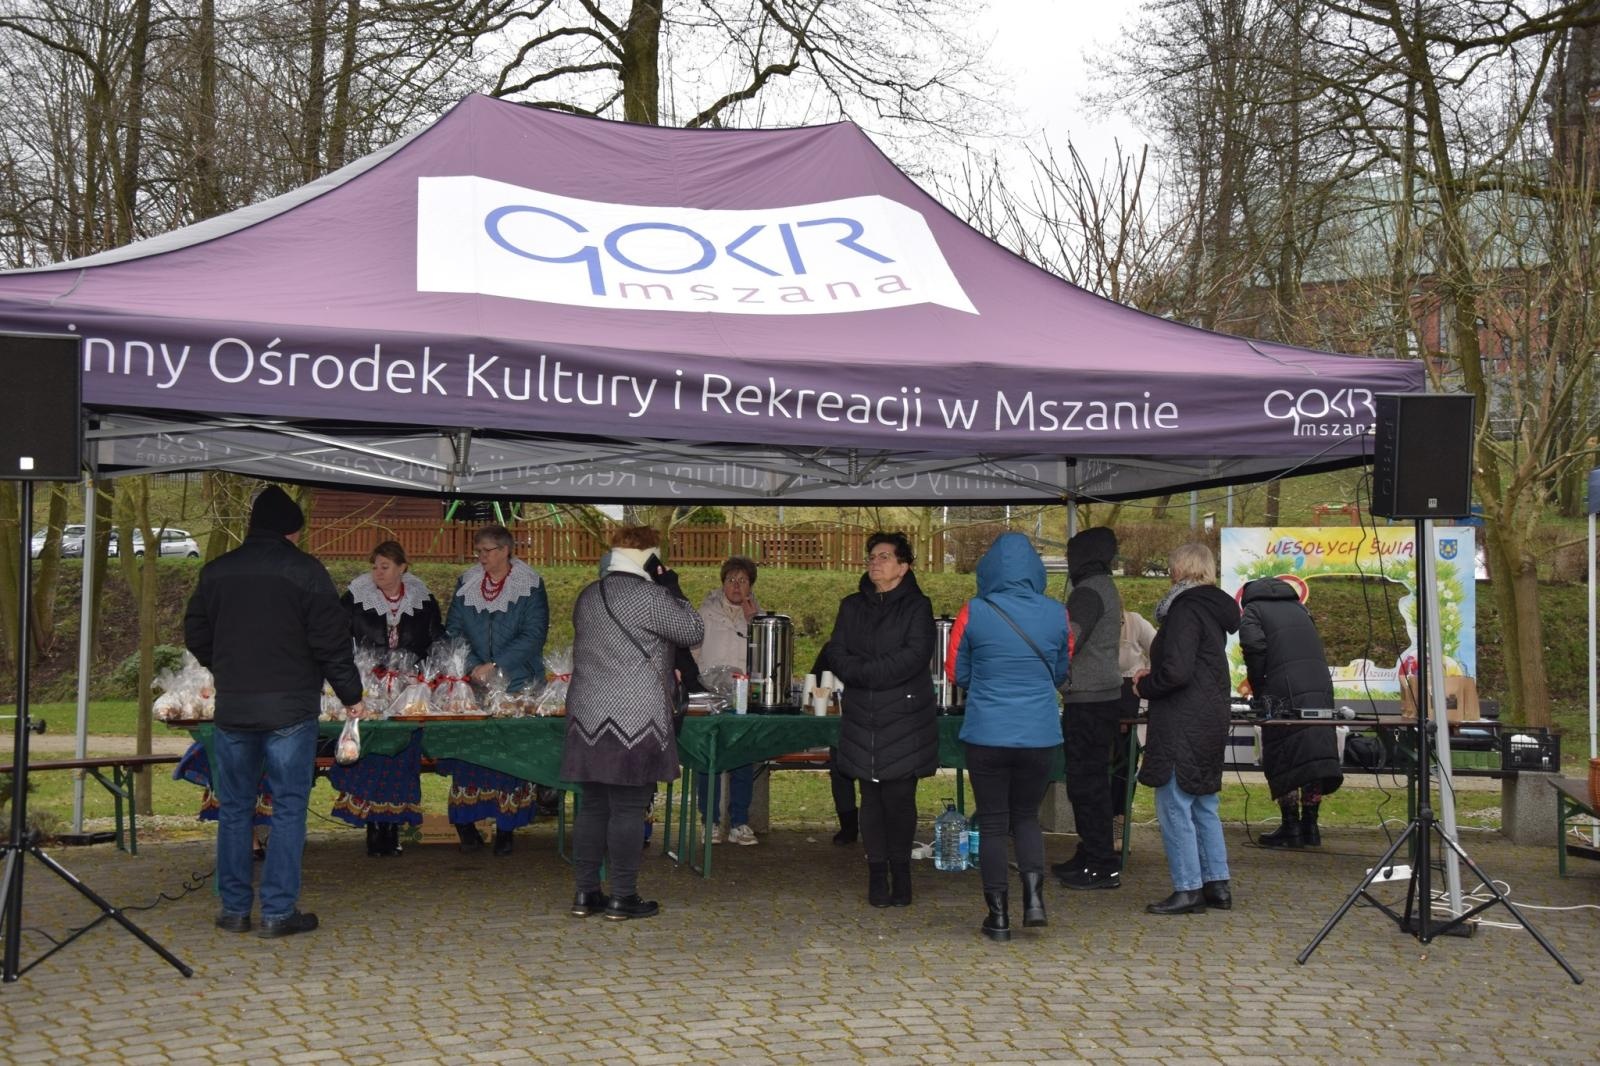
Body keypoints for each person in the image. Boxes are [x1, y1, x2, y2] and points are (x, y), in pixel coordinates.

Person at [183, 484, 365, 938]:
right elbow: (331, 641)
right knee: (287, 808)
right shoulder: (306, 572)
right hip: (289, 710)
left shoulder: (215, 571)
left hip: (234, 708)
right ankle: (279, 912)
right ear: (290, 532)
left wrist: (225, 665)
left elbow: (196, 633)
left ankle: (234, 909)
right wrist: (350, 693)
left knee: (235, 809)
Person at [562, 526, 704, 921]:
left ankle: (585, 893)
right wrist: (671, 585)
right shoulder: (650, 596)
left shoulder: (588, 595)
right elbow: (693, 630)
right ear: (651, 556)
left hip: (587, 713)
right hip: (635, 715)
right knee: (627, 806)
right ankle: (623, 897)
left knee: (592, 806)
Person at [948, 533, 1071, 941]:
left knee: (996, 823)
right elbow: (1060, 672)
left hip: (987, 733)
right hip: (1039, 734)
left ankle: (997, 916)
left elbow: (956, 673)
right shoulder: (1058, 614)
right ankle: (1034, 901)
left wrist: (985, 678)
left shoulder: (974, 611)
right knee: (1026, 818)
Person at [815, 531, 937, 908]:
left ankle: (901, 874)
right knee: (870, 799)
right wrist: (860, 672)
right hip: (862, 717)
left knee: (899, 799)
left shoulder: (918, 606)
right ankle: (876, 874)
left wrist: (865, 673)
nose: (875, 562)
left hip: (904, 717)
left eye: (884, 556)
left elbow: (914, 655)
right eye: (872, 556)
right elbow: (835, 650)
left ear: (903, 566)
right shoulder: (851, 606)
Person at [1132, 542, 1240, 915]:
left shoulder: (1185, 610)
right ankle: (1217, 885)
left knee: (1174, 803)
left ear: (1179, 570)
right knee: (1203, 802)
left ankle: (1188, 888)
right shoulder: (1212, 610)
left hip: (1182, 718)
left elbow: (1176, 671)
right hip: (1210, 715)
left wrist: (1145, 684)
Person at [441, 524, 549, 855]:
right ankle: (465, 821)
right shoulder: (467, 583)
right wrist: (475, 665)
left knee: (510, 756)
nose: (481, 557)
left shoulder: (530, 585)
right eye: (478, 551)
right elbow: (454, 630)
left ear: (505, 550)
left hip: (518, 683)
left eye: (487, 550)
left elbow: (534, 635)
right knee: (472, 753)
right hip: (474, 683)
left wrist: (497, 664)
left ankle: (506, 828)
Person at [331, 540, 443, 856]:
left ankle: (393, 825)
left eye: (385, 566)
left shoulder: (423, 599)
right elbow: (337, 637)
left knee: (402, 754)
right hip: (368, 688)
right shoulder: (354, 597)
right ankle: (372, 825)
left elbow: (436, 638)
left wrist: (433, 675)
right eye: (375, 566)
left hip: (409, 691)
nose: (378, 572)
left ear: (402, 568)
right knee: (373, 750)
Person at [1238, 576, 1344, 847]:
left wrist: (1258, 685)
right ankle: (1310, 826)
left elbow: (1253, 647)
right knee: (1312, 755)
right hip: (1319, 686)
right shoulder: (1300, 609)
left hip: (1282, 690)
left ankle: (1290, 827)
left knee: (1284, 753)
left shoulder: (1253, 610)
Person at [1054, 526, 1127, 891]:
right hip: (1102, 697)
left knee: (1087, 784)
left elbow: (1069, 639)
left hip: (1089, 700)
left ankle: (1101, 864)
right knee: (1090, 781)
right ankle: (1090, 852)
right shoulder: (1103, 586)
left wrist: (1049, 668)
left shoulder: (1088, 592)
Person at [692, 555, 762, 846]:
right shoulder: (704, 613)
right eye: (731, 579)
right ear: (722, 583)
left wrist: (753, 622)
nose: (736, 585)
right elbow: (693, 650)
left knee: (743, 758)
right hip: (711, 694)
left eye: (743, 581)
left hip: (744, 695)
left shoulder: (758, 616)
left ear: (750, 586)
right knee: (709, 759)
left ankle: (739, 822)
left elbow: (763, 658)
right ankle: (708, 821)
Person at [1110, 608, 1158, 822]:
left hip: (1130, 700)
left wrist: (1147, 673)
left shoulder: (1134, 621)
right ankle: (1104, 827)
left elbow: (1160, 650)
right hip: (1101, 698)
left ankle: (1119, 822)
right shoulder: (1092, 622)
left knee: (1125, 765)